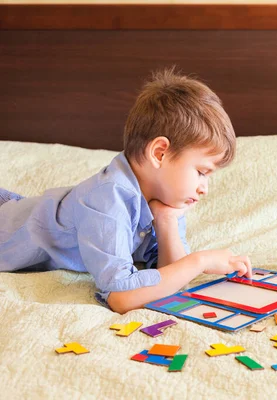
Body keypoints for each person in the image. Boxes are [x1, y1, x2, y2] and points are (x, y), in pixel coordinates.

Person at [0, 68, 252, 314]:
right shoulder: (107, 198)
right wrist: (201, 261)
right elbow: (121, 297)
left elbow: (173, 279)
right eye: (201, 172)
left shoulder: (167, 197)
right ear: (159, 153)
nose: (204, 188)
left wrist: (166, 221)